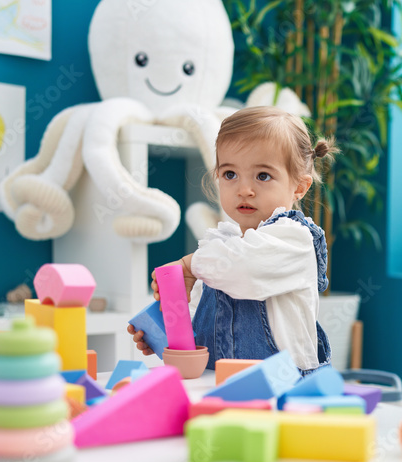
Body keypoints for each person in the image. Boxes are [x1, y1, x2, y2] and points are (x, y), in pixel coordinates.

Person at [128, 106, 335, 374]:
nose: (244, 190)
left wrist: (191, 265)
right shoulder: (220, 245)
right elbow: (204, 327)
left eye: (263, 176)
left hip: (282, 390)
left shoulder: (292, 238)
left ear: (298, 186)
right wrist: (168, 336)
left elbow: (244, 270)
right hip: (218, 383)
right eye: (230, 175)